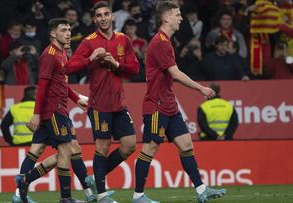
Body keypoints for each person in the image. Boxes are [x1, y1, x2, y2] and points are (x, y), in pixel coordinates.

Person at [133, 2, 226, 203]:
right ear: (166, 18)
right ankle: (138, 195)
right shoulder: (159, 42)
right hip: (156, 106)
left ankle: (201, 189)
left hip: (169, 105)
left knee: (186, 146)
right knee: (149, 149)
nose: (181, 18)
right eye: (177, 14)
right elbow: (175, 73)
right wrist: (201, 88)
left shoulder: (167, 41)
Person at [65, 1, 140, 203]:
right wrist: (90, 58)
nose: (103, 18)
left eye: (107, 14)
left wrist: (116, 64)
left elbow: (135, 69)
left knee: (129, 145)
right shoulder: (89, 41)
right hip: (99, 105)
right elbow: (68, 68)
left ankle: (94, 180)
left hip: (119, 103)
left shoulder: (123, 40)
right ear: (94, 19)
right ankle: (101, 194)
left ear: (112, 16)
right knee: (103, 147)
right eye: (99, 15)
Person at [14, 18, 89, 203]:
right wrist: (37, 114)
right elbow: (42, 86)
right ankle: (65, 198)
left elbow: (61, 83)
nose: (68, 33)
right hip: (54, 111)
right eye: (63, 30)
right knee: (66, 152)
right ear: (53, 34)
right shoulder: (50, 54)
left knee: (37, 150)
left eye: (69, 29)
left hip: (56, 109)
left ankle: (22, 186)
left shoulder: (62, 53)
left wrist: (76, 98)